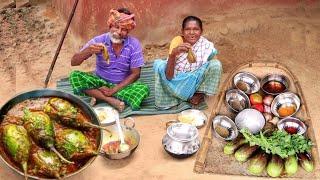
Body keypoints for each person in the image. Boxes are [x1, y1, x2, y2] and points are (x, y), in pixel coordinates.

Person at [69, 8, 149, 112]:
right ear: (110, 25)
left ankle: (96, 95)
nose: (119, 32)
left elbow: (136, 74)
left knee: (143, 90)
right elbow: (74, 62)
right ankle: (110, 100)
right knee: (74, 76)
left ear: (128, 30)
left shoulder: (134, 44)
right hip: (100, 82)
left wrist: (113, 90)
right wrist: (88, 50)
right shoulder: (99, 41)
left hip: (122, 86)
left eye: (124, 29)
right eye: (116, 27)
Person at [153, 15, 222, 109]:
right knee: (158, 64)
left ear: (201, 31)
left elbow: (210, 66)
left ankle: (199, 94)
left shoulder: (205, 45)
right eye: (187, 29)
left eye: (196, 29)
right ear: (182, 31)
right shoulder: (177, 42)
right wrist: (173, 54)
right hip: (176, 82)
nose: (192, 33)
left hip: (195, 81)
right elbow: (169, 76)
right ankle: (180, 95)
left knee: (216, 64)